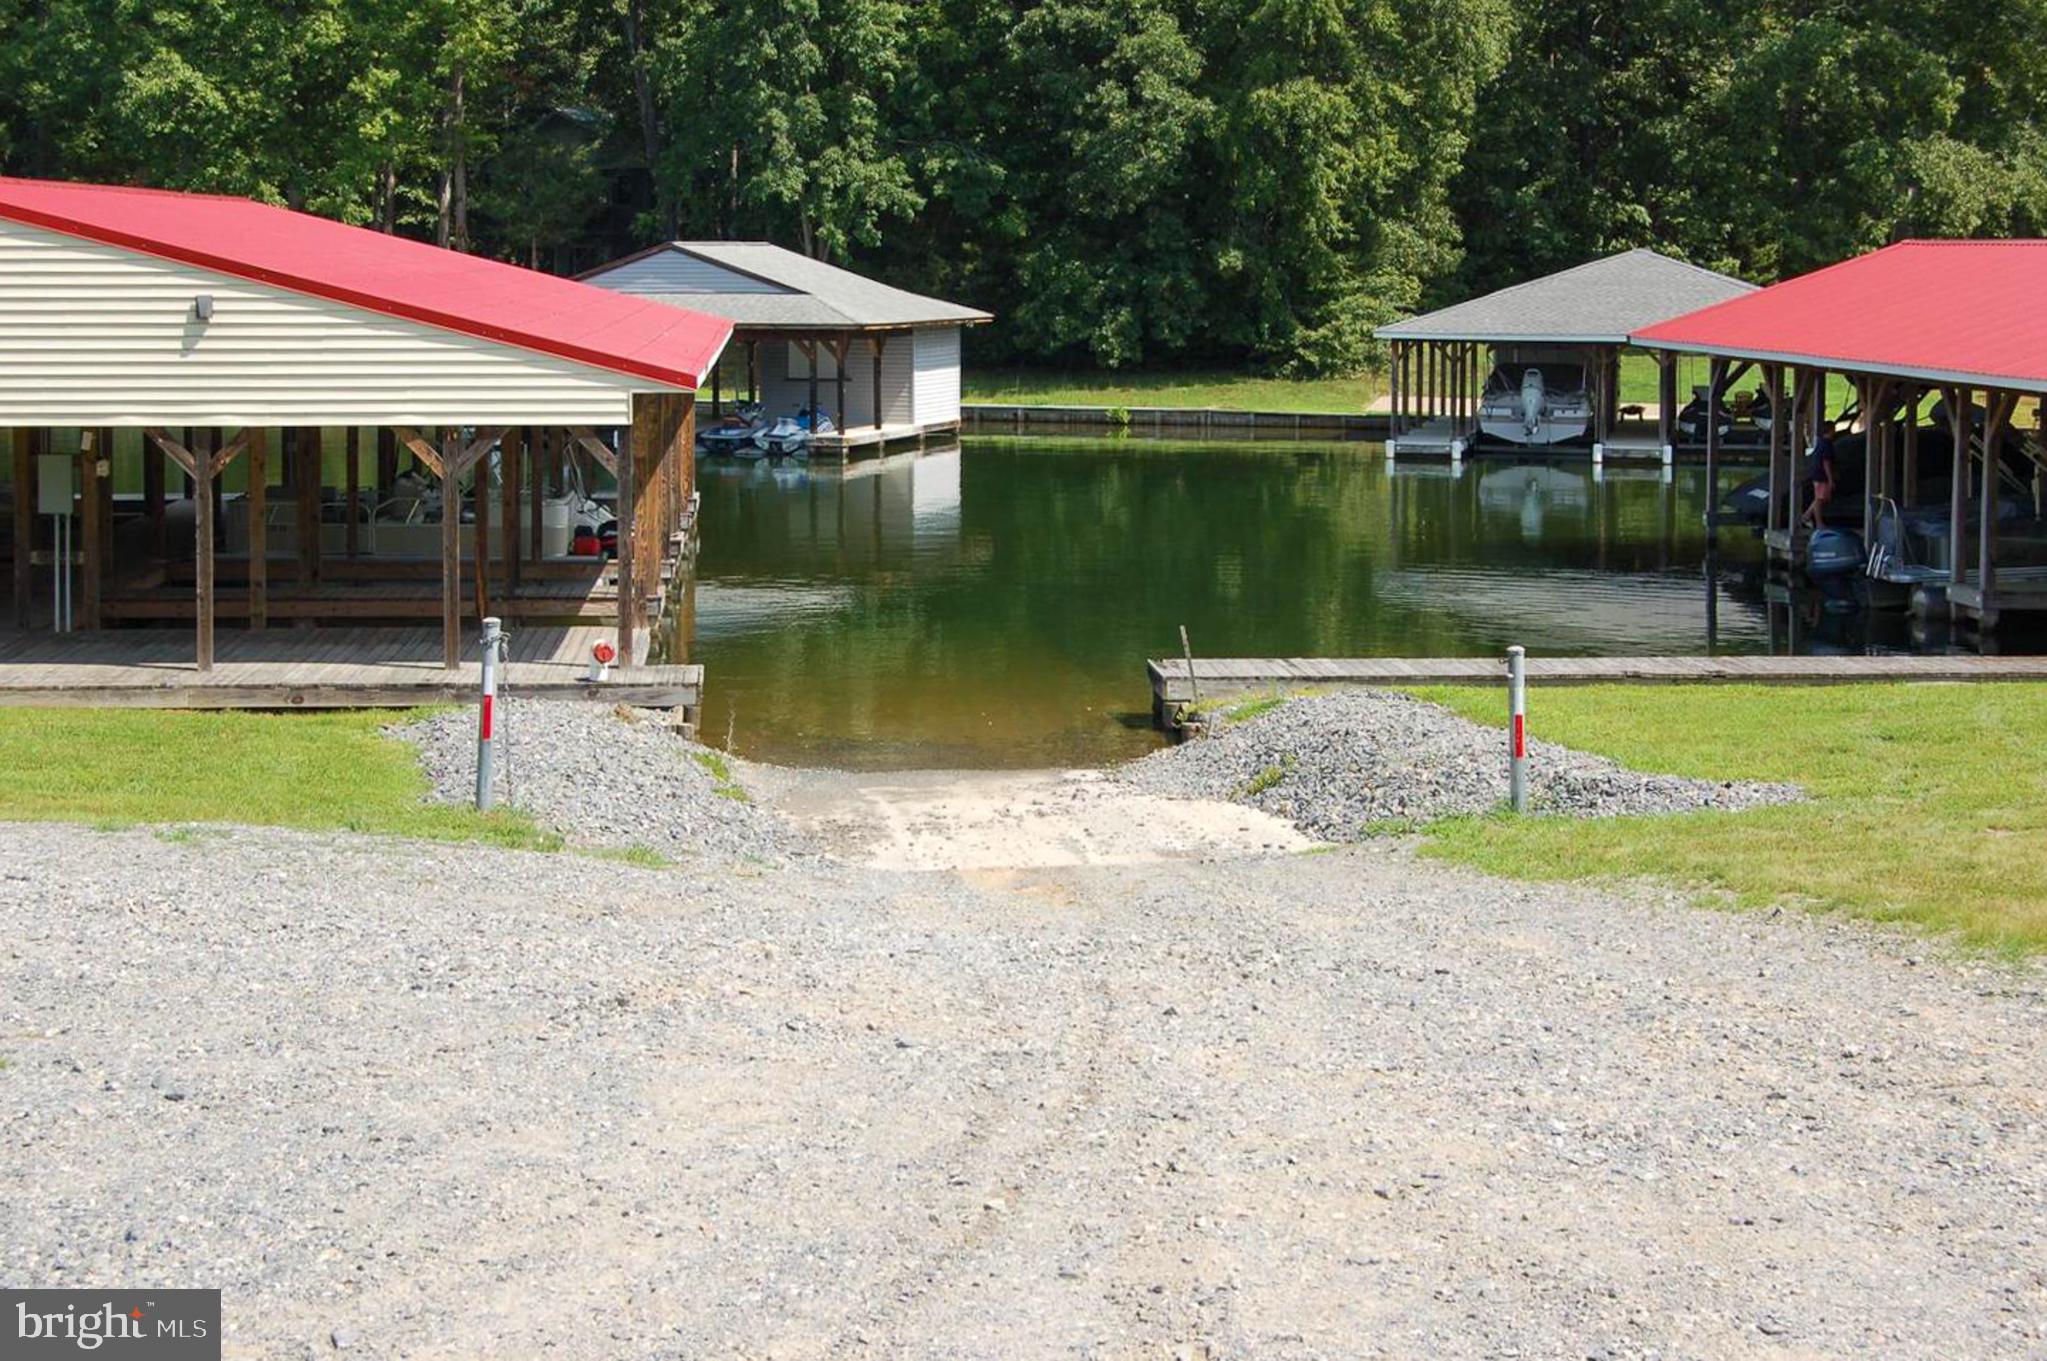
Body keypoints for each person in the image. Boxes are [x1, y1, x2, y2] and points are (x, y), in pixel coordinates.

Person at [1801, 422, 1838, 528]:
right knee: (1820, 499)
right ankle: (1818, 522)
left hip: (1817, 474)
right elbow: (1826, 462)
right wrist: (1830, 479)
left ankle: (1807, 515)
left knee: (1822, 497)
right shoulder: (1826, 444)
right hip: (1822, 476)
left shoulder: (1821, 443)